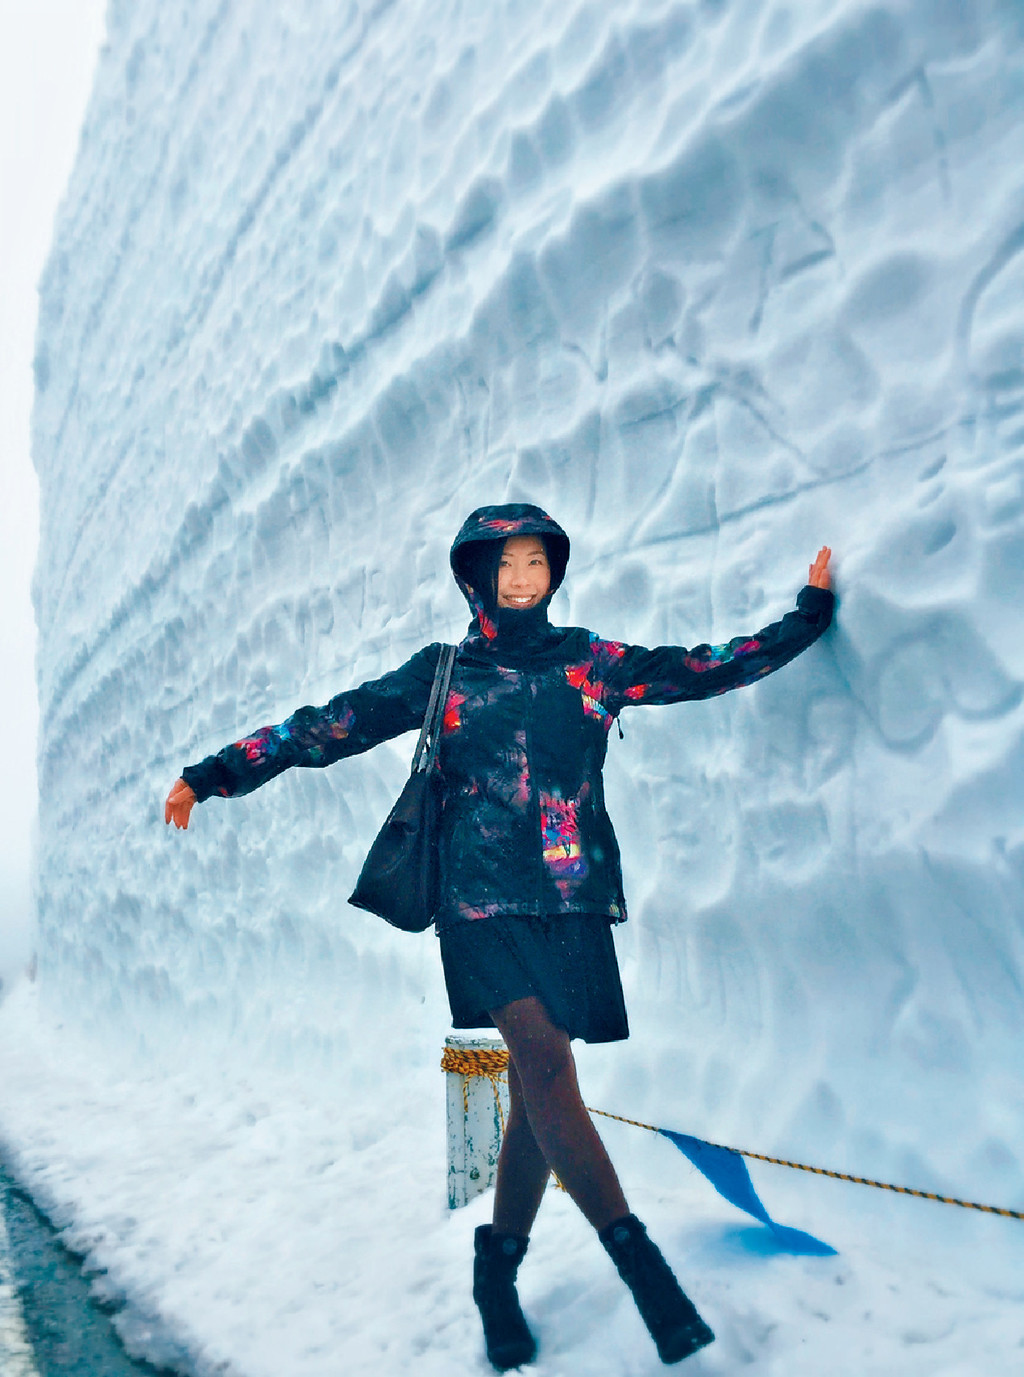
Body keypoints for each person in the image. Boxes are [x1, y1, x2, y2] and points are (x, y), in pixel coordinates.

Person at [166, 503, 833, 1369]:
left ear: (553, 571)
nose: (521, 579)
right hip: (478, 906)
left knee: (535, 1090)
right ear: (475, 577)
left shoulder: (592, 664)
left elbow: (702, 669)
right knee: (549, 1068)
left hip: (571, 898)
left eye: (535, 563)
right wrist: (211, 775)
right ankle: (650, 1279)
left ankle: (497, 1268)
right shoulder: (442, 672)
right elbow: (327, 725)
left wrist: (806, 615)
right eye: (504, 565)